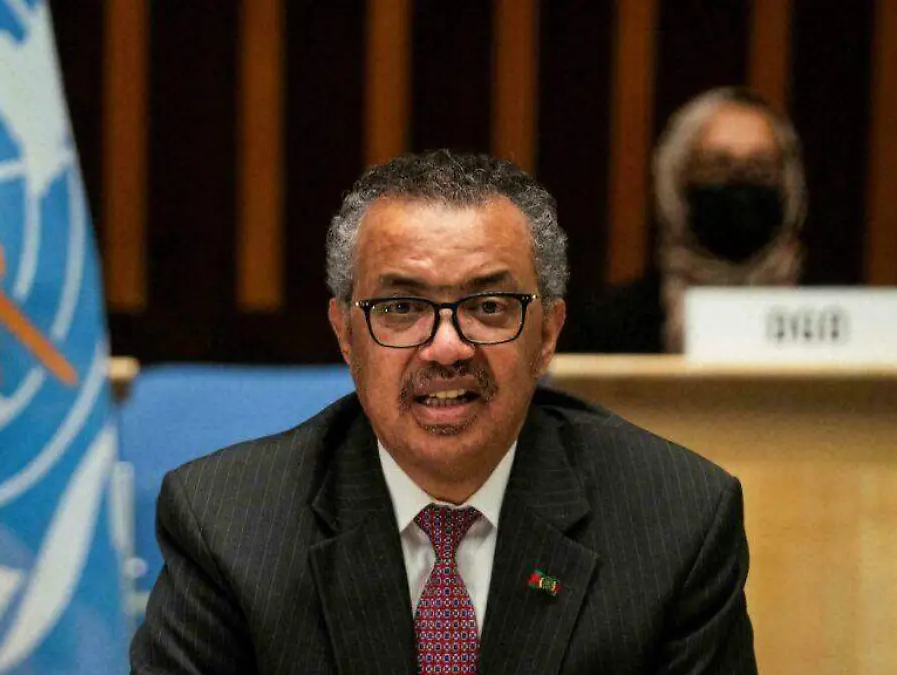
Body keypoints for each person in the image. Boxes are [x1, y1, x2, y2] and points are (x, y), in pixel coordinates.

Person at [131, 150, 756, 674]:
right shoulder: (229, 526)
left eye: (489, 306)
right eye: (401, 309)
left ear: (547, 334)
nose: (447, 347)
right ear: (346, 335)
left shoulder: (675, 523)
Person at [562, 87, 807, 353]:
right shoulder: (609, 327)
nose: (740, 181)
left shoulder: (833, 317)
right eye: (717, 165)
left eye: (761, 167)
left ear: (788, 184)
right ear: (676, 181)